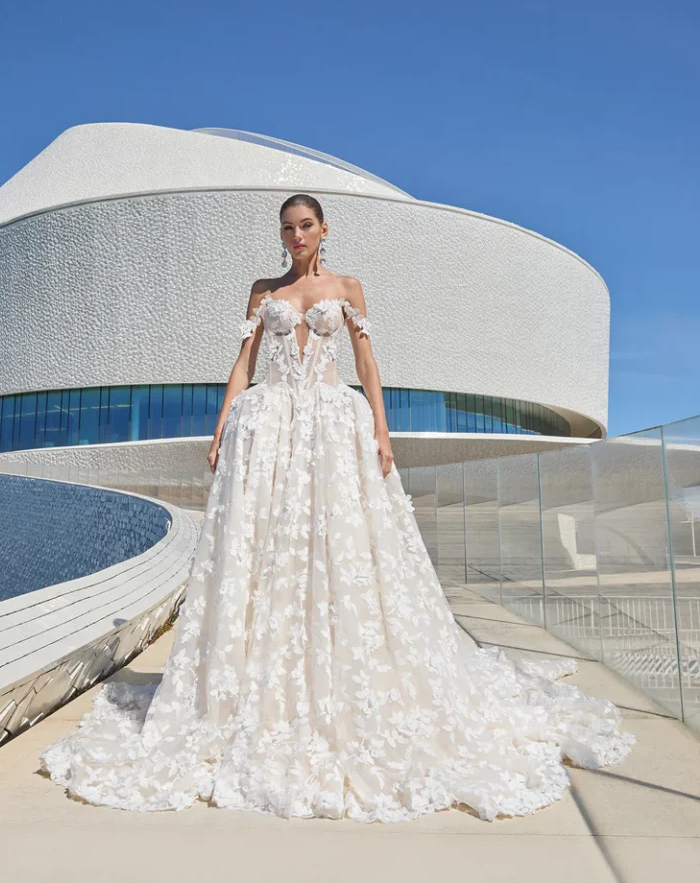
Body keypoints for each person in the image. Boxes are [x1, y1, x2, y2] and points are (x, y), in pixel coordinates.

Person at [39, 193, 635, 822]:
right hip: (269, 430)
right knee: (268, 548)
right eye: (287, 228)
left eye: (305, 226)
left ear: (324, 230)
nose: (296, 236)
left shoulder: (347, 287)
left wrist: (382, 431)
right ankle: (252, 689)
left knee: (338, 544)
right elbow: (242, 366)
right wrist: (220, 429)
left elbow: (366, 363)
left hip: (330, 425)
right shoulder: (261, 290)